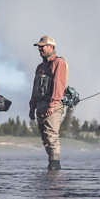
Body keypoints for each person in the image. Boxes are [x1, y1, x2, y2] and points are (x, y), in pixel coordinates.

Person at [29, 35, 68, 170]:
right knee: (45, 139)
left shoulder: (59, 63)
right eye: (38, 46)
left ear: (51, 46)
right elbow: (34, 88)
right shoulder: (40, 66)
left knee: (51, 136)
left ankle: (54, 167)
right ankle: (53, 168)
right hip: (40, 106)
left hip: (53, 106)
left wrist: (52, 105)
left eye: (42, 46)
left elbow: (59, 85)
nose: (39, 48)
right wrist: (31, 107)